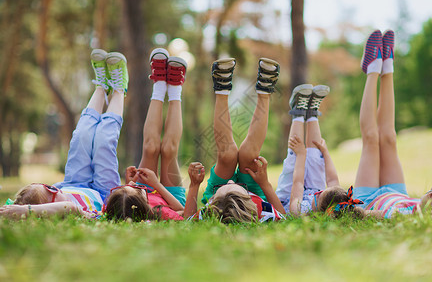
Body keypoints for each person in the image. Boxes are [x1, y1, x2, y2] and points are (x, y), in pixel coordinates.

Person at [0, 49, 128, 219]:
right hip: (104, 192)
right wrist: (28, 212)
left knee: (81, 136)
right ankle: (119, 89)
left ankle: (101, 86)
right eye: (52, 191)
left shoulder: (62, 190)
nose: (54, 187)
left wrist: (22, 207)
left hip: (74, 181)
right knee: (104, 140)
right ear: (52, 206)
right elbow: (68, 207)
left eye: (49, 186)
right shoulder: (74, 212)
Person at [347, 29, 432, 218]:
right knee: (389, 138)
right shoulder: (417, 207)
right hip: (398, 192)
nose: (430, 189)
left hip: (369, 198)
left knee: (371, 139)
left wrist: (353, 209)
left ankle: (372, 70)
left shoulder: (403, 215)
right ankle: (387, 67)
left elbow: (363, 214)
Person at [185, 57, 286, 223]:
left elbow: (187, 219)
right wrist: (265, 184)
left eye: (229, 182)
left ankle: (221, 87)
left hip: (219, 197)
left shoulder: (209, 214)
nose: (231, 179)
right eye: (234, 183)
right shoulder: (263, 212)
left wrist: (194, 186)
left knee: (228, 156)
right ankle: (265, 89)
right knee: (249, 155)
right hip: (251, 193)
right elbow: (285, 218)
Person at [104, 48, 187, 221]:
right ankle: (175, 87)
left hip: (140, 190)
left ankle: (159, 84)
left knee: (150, 148)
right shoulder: (157, 211)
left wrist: (130, 184)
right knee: (169, 150)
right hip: (169, 198)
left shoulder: (115, 207)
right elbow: (183, 212)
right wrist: (156, 184)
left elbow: (121, 201)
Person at [275, 84, 341, 216]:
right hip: (312, 190)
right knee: (317, 157)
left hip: (289, 195)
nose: (320, 191)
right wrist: (325, 153)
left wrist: (301, 154)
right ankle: (312, 113)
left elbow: (298, 182)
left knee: (294, 157)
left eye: (320, 193)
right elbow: (332, 180)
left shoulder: (299, 209)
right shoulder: (329, 200)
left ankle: (298, 111)